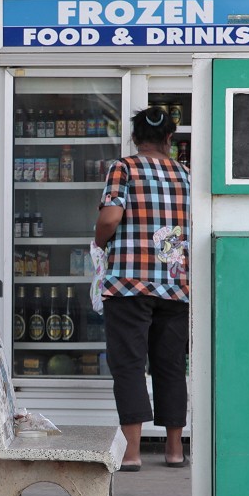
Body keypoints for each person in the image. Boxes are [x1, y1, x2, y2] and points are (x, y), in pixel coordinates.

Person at [93, 105, 190, 471]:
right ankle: (174, 449)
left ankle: (132, 453)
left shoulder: (124, 167)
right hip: (176, 284)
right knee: (170, 365)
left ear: (135, 138)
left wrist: (100, 241)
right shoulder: (186, 175)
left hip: (129, 283)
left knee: (130, 365)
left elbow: (111, 216)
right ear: (169, 139)